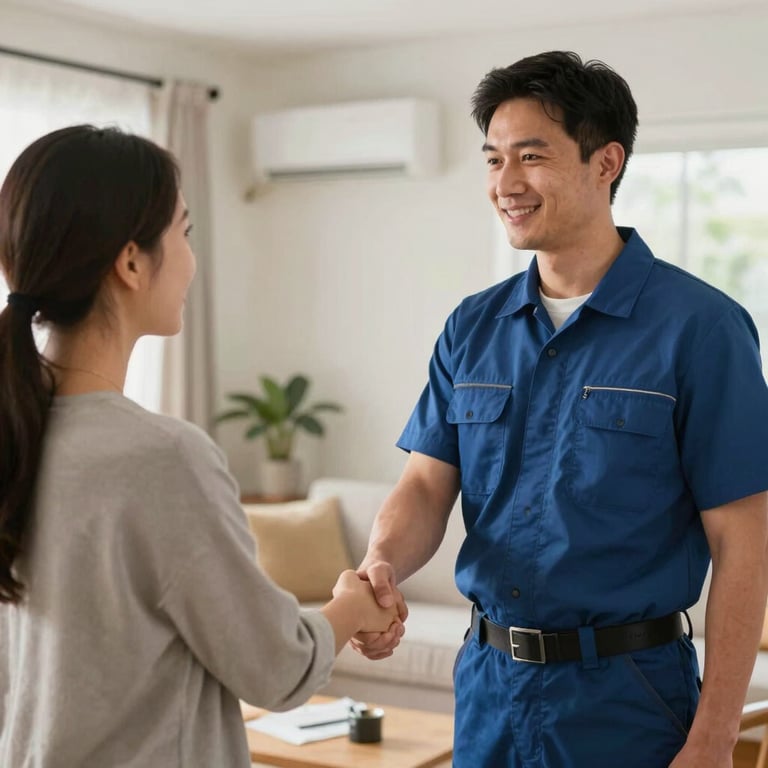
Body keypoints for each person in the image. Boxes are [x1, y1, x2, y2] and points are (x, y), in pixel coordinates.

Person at [352, 51, 768, 767]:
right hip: (488, 688)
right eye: (493, 160)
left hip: (630, 700)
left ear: (606, 162)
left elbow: (746, 541)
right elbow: (425, 485)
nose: (505, 184)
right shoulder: (471, 327)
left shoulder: (702, 329)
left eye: (531, 157)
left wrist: (715, 736)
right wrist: (379, 564)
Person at [0, 125, 400, 768]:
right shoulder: (161, 457)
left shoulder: (18, 435)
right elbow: (277, 666)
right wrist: (351, 608)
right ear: (131, 262)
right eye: (184, 233)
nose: (191, 258)